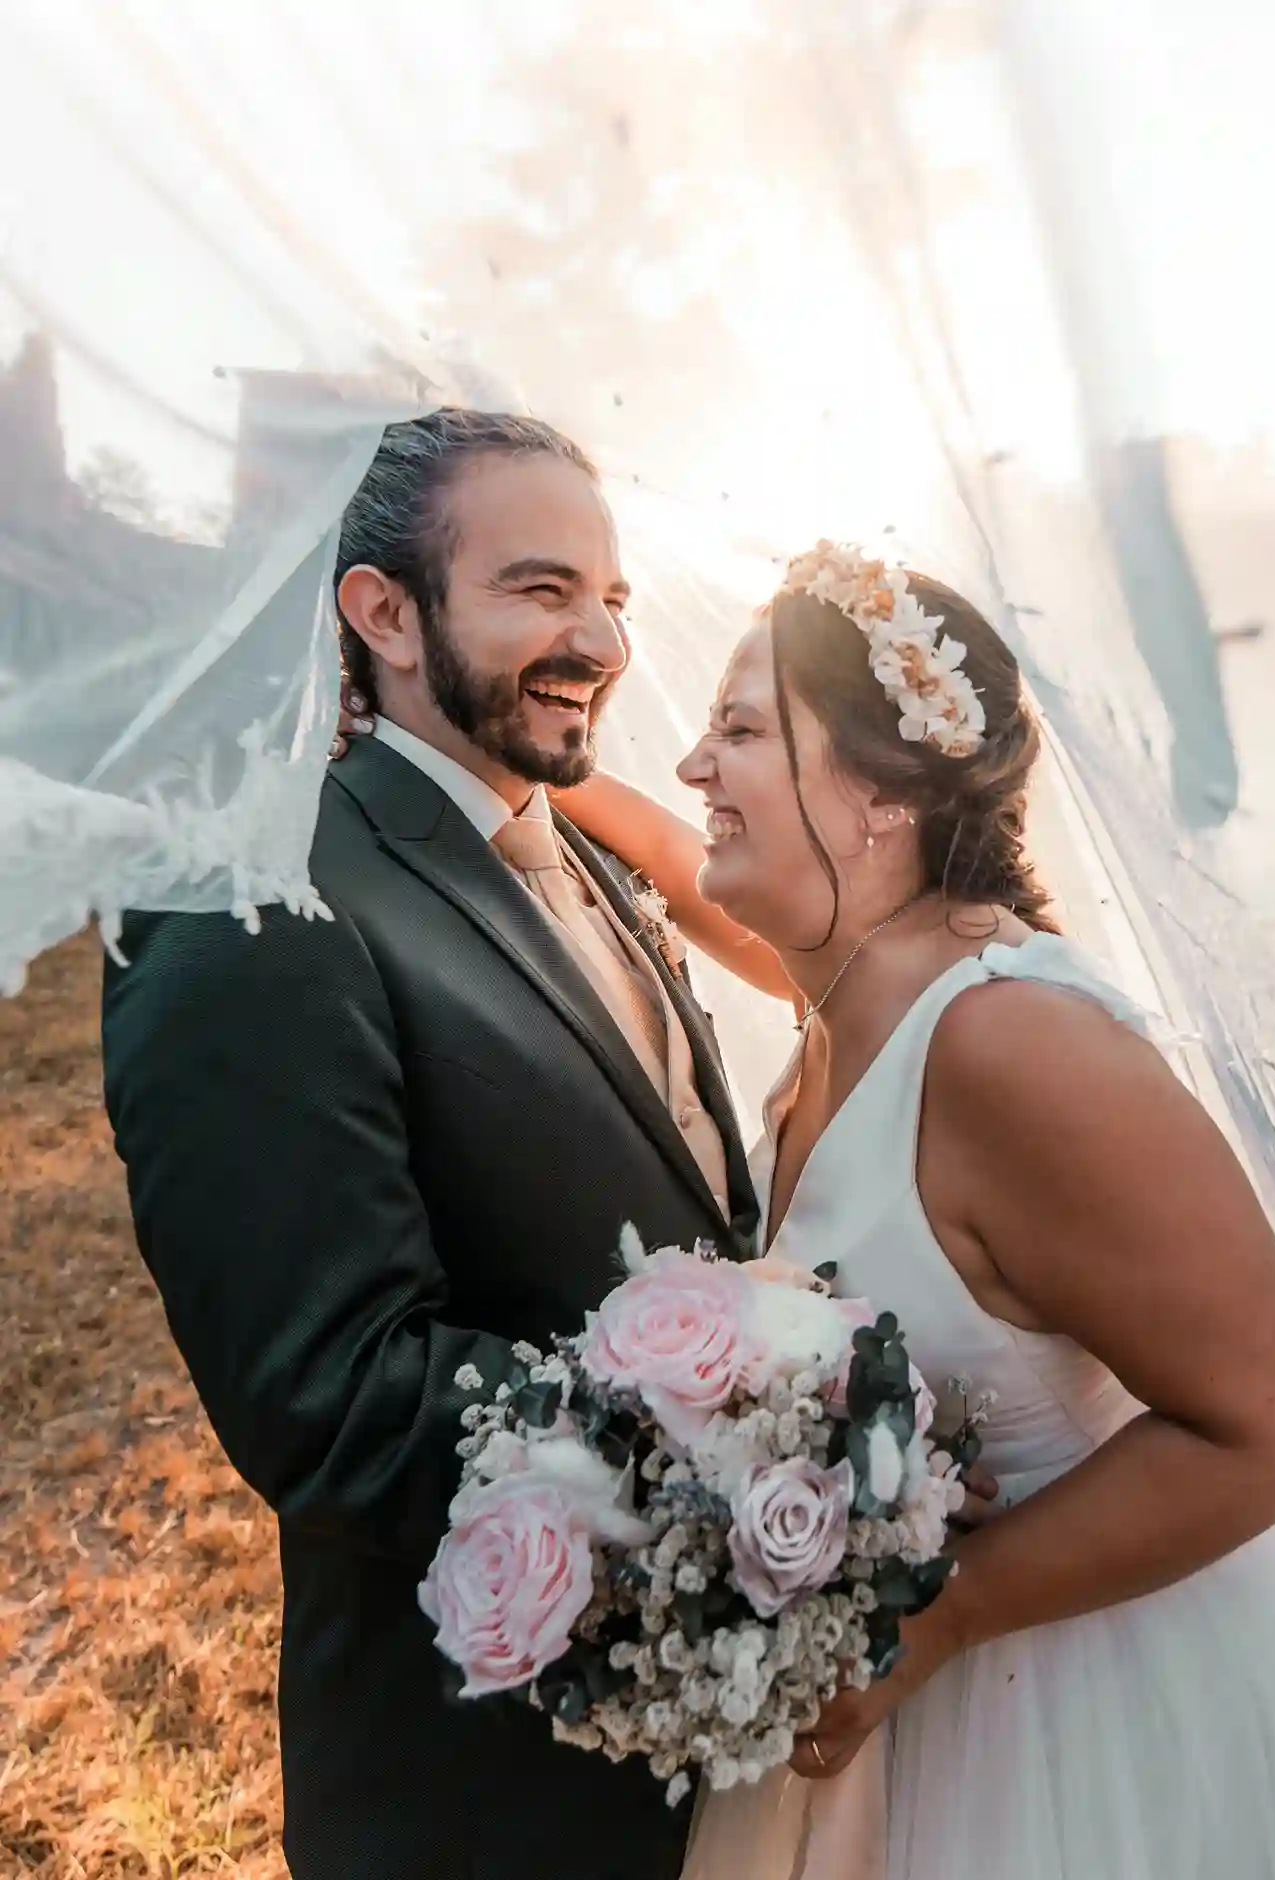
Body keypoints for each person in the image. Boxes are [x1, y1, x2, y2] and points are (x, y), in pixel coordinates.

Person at [538, 544, 1275, 1878]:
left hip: (1071, 1729)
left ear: (883, 797)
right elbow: (686, 866)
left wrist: (940, 1617)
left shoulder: (1013, 1049)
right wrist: (532, 770)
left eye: (741, 732)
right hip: (907, 1721)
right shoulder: (844, 983)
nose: (696, 768)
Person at [101, 408, 759, 1880]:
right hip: (489, 1796)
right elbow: (332, 1394)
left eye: (612, 597)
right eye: (540, 590)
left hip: (705, 1764)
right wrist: (765, 1442)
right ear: (380, 612)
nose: (600, 640)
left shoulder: (573, 835)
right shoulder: (249, 906)